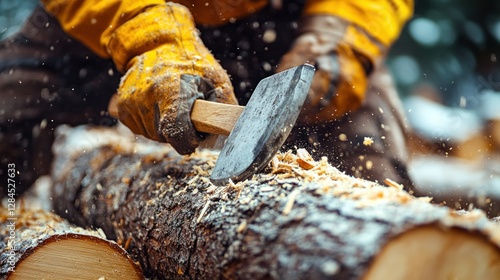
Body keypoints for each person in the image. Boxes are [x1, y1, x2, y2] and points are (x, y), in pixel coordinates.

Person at [0, 0, 414, 196]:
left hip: (287, 18)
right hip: (100, 22)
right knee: (8, 130)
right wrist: (152, 42)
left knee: (370, 180)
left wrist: (337, 40)